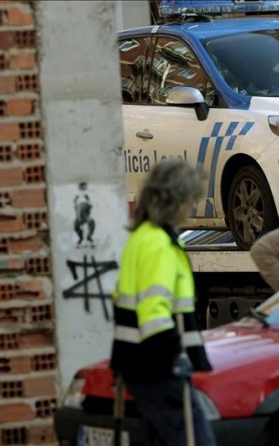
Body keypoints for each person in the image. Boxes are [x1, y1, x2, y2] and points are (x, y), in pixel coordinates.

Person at [110, 160, 216, 446]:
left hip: (139, 364)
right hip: (159, 366)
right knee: (195, 439)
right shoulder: (159, 244)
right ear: (175, 200)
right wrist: (175, 355)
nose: (193, 207)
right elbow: (154, 310)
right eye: (191, 199)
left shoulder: (141, 237)